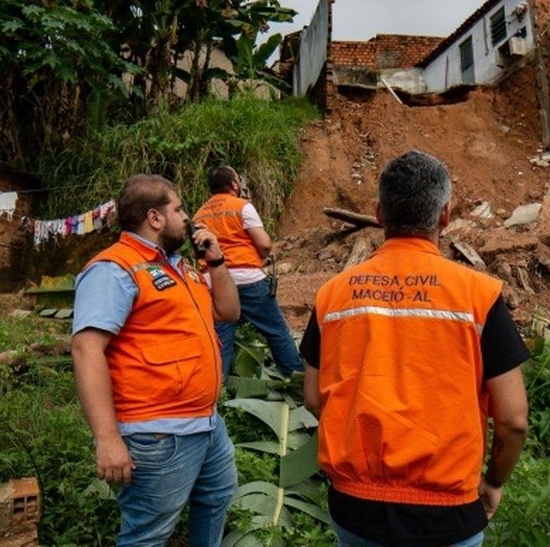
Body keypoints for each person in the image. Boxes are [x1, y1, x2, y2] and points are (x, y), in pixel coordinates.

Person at [301, 151, 530, 547]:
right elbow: (513, 421)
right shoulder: (478, 296)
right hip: (446, 516)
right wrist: (493, 482)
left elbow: (312, 397)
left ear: (378, 213)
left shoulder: (332, 296)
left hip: (356, 510)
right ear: (445, 215)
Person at [71, 174, 240, 547]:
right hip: (158, 434)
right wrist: (107, 439)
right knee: (147, 536)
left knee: (217, 497)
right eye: (178, 209)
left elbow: (228, 312)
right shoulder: (114, 269)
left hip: (206, 423)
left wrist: (216, 261)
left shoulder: (181, 267)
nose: (187, 217)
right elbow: (86, 349)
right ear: (155, 217)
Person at [193, 165, 304, 377]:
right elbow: (264, 243)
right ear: (234, 184)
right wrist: (262, 256)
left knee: (221, 341)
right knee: (276, 331)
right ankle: (295, 376)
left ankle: (218, 387)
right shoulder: (242, 206)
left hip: (214, 282)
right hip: (247, 278)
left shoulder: (199, 215)